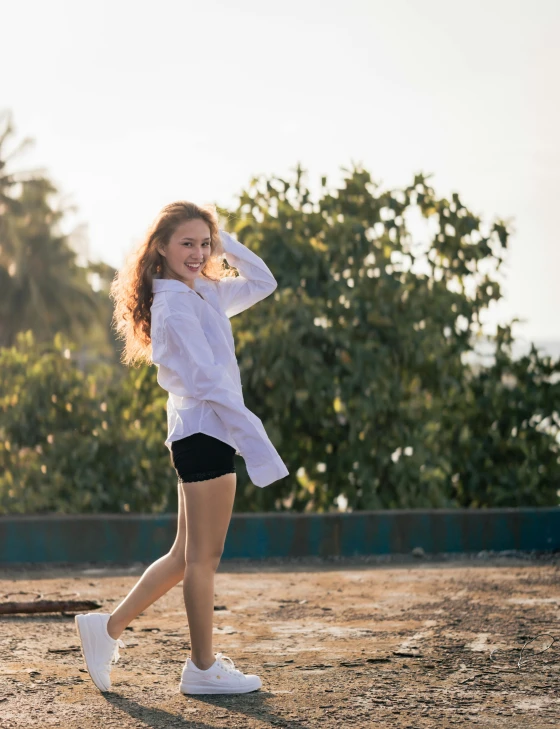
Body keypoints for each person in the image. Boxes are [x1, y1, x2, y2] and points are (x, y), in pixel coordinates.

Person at [74, 201, 289, 695]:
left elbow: (262, 282)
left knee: (182, 556)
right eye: (186, 244)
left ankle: (105, 629)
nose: (196, 253)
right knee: (202, 561)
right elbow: (209, 384)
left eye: (202, 244)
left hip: (202, 433)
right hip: (205, 434)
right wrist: (255, 440)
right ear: (161, 249)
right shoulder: (174, 306)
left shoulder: (204, 292)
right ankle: (201, 668)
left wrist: (222, 239)